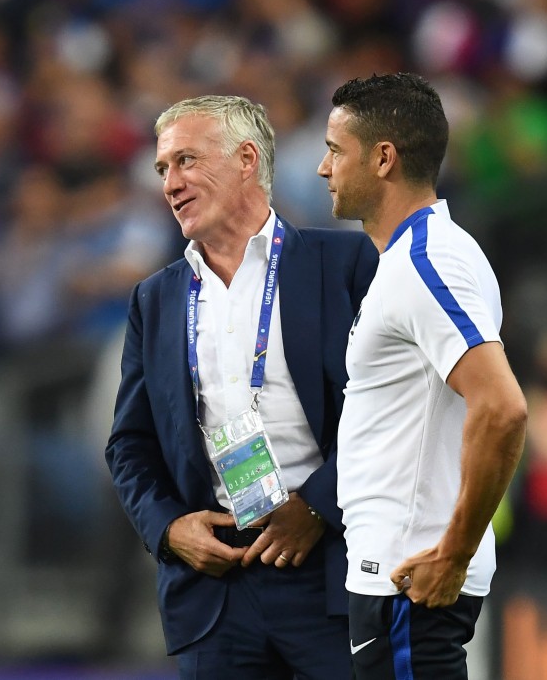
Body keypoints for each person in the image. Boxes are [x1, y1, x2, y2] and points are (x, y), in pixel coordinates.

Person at [105, 94, 379, 679]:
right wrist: (170, 529)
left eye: (186, 161)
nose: (170, 184)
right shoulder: (155, 299)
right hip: (216, 589)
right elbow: (129, 445)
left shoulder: (345, 261)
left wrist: (318, 507)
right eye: (162, 170)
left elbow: (386, 410)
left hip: (330, 571)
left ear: (246, 159)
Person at [318, 72, 528, 679]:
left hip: (413, 579)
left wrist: (454, 554)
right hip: (396, 575)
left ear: (383, 158)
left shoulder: (428, 261)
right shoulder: (413, 258)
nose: (323, 168)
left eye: (335, 150)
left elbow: (503, 407)